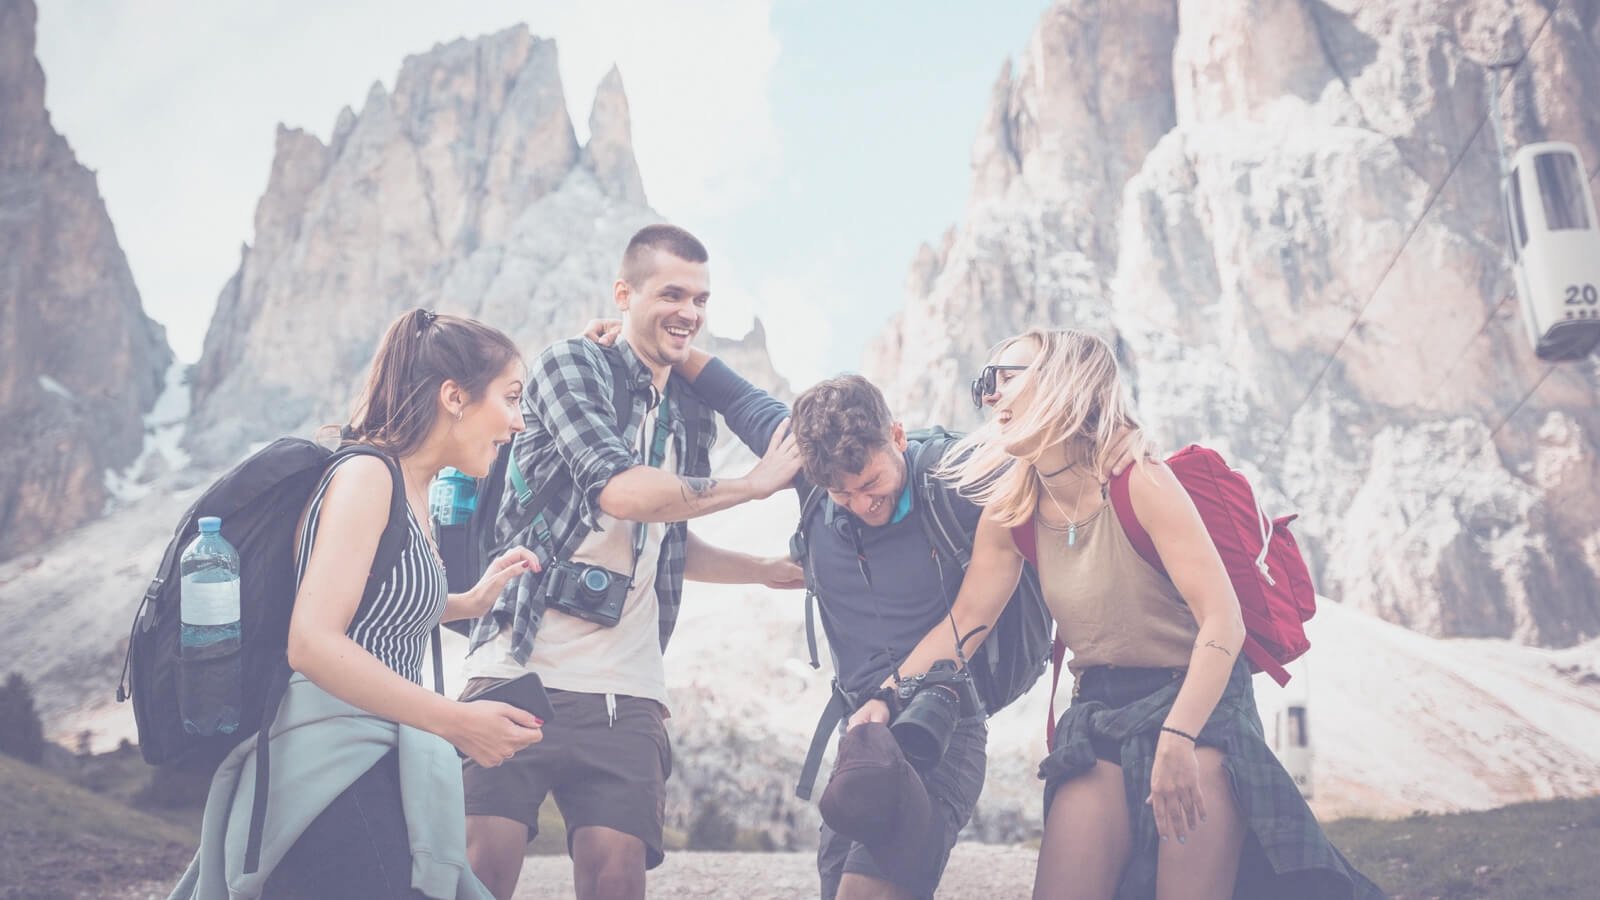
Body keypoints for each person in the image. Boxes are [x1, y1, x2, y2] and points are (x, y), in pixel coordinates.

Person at [885, 328, 1383, 899]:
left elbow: (1224, 620)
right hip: (1099, 710)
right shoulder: (1012, 509)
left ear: (1063, 380)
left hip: (1198, 704)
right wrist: (884, 695)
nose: (988, 395)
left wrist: (1179, 736)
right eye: (984, 382)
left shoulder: (1138, 480)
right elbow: (966, 619)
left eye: (1004, 377)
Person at [459, 224, 805, 900]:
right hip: (519, 663)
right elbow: (620, 491)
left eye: (701, 299)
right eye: (672, 293)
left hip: (629, 688)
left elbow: (668, 534)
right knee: (479, 872)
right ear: (624, 293)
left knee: (617, 878)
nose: (690, 312)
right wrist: (753, 485)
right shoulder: (569, 366)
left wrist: (762, 569)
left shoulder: (692, 412)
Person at [171, 309, 549, 900]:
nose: (519, 422)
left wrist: (469, 601)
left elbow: (372, 605)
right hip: (331, 763)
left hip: (377, 751)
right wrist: (459, 722)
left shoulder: (414, 488)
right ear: (454, 396)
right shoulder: (369, 476)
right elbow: (313, 641)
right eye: (511, 398)